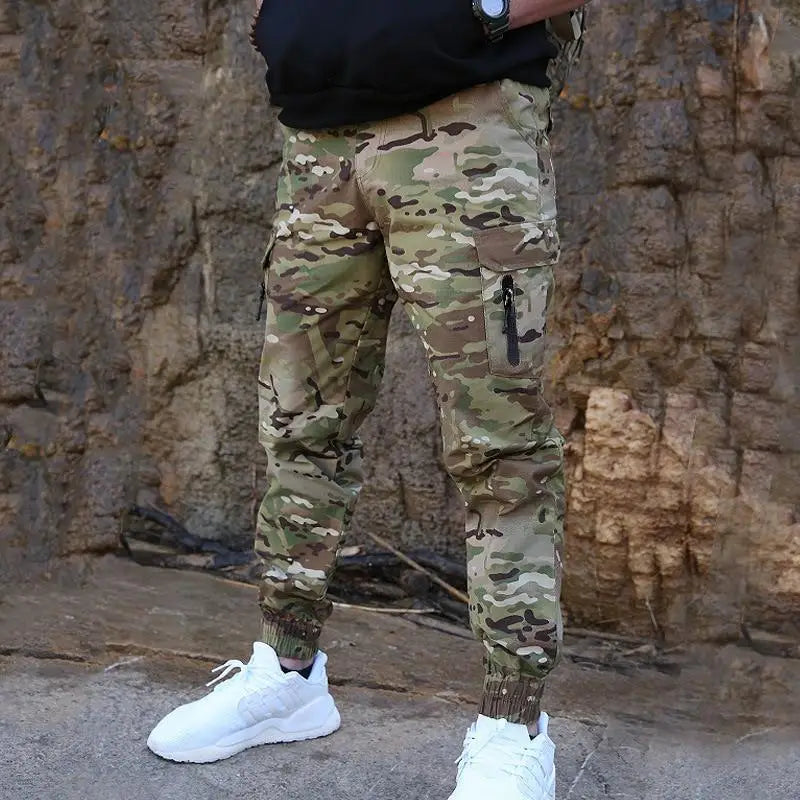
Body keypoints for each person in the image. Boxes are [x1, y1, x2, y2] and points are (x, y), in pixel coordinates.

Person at [147, 1, 588, 797]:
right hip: (318, 139)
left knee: (500, 443)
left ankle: (513, 725)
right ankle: (287, 673)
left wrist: (485, 10)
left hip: (468, 129)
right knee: (298, 423)